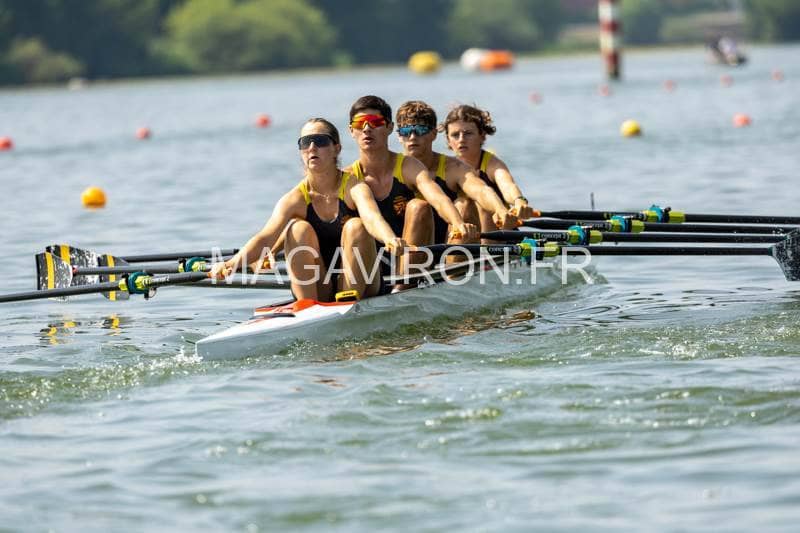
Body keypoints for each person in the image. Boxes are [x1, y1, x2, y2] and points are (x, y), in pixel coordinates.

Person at [211, 118, 405, 302]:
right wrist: (230, 264)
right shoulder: (295, 199)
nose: (312, 147)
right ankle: (307, 306)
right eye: (305, 142)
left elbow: (372, 218)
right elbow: (265, 237)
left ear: (336, 149)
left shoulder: (355, 187)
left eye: (320, 141)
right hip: (320, 284)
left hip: (363, 282)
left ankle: (347, 301)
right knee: (297, 228)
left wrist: (389, 238)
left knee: (356, 225)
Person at [344, 95, 479, 269]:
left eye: (375, 122)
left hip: (410, 258)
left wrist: (457, 223)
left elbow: (437, 198)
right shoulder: (348, 177)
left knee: (420, 206)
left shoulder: (410, 167)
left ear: (390, 127)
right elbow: (371, 217)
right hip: (372, 266)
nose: (367, 129)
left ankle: (410, 281)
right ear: (351, 130)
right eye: (359, 123)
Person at [395, 100, 519, 244]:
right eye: (405, 131)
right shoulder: (388, 168)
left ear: (434, 134)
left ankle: (470, 255)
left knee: (465, 204)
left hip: (452, 243)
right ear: (399, 136)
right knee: (417, 207)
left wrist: (500, 209)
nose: (412, 137)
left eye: (420, 130)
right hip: (405, 248)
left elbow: (481, 190)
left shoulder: (454, 168)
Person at [441, 104, 535, 236]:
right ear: (448, 140)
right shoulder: (445, 167)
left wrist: (519, 200)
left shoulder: (492, 164)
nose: (461, 139)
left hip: (499, 233)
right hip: (461, 234)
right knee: (461, 205)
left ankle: (486, 247)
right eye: (455, 135)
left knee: (480, 203)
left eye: (468, 133)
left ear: (482, 136)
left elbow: (508, 185)